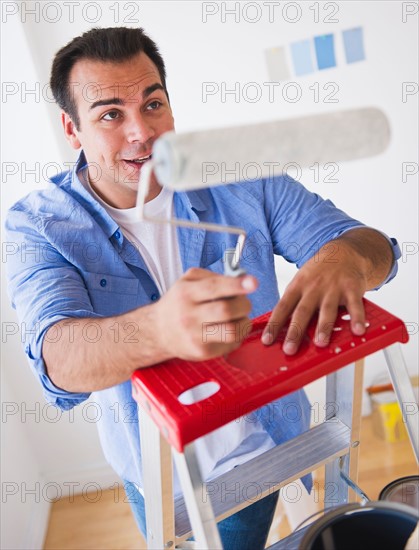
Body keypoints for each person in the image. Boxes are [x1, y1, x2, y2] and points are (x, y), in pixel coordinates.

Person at [5, 27, 400, 549]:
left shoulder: (240, 176)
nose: (141, 132)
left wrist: (346, 259)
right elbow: (57, 361)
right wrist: (162, 329)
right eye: (109, 114)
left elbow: (373, 247)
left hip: (276, 440)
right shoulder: (36, 226)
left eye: (153, 104)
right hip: (165, 478)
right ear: (71, 129)